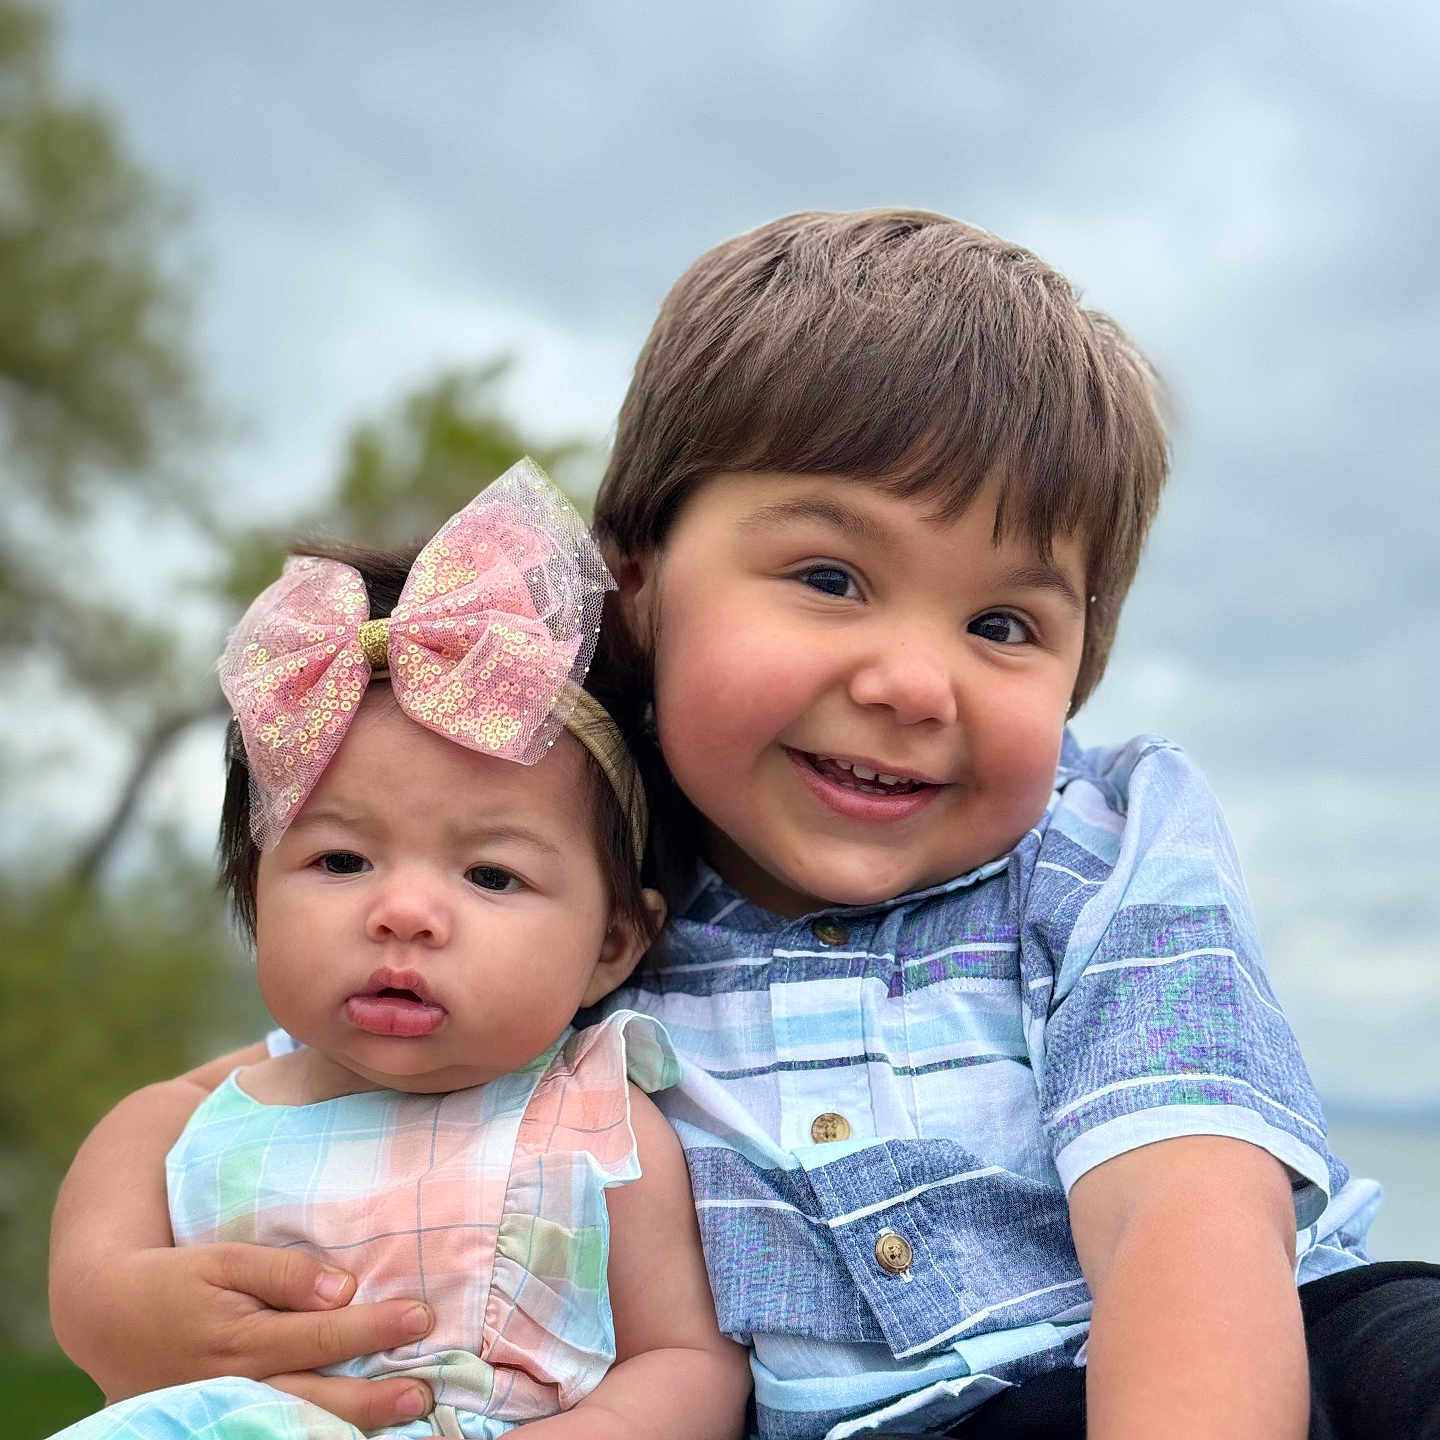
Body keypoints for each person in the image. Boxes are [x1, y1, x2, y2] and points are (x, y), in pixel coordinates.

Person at [50, 212, 1440, 1440]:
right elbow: (245, 1081)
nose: (911, 681)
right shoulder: (562, 878)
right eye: (831, 576)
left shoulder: (1099, 846)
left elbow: (1182, 1218)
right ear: (637, 574)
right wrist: (107, 1298)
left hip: (1255, 1333)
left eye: (1003, 623)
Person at [46, 460, 750, 1440]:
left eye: (491, 875)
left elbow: (687, 1364)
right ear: (257, 889)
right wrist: (113, 1312)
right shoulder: (184, 1122)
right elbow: (98, 1283)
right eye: (341, 859)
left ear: (613, 943)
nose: (404, 912)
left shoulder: (597, 1121)